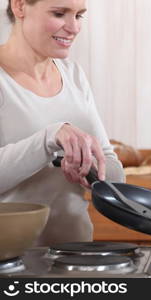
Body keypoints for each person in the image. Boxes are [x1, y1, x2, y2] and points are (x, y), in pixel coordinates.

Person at [0, 0, 124, 245]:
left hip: (74, 256)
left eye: (79, 15)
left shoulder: (74, 75)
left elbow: (114, 173)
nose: (74, 27)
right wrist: (49, 138)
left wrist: (85, 168)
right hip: (10, 260)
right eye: (59, 13)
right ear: (20, 6)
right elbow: (48, 140)